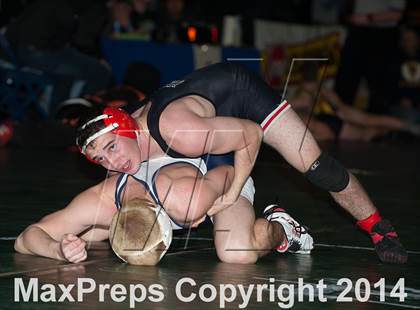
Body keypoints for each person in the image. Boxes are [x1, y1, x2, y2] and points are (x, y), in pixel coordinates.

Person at [76, 62, 408, 264]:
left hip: (243, 97)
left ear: (128, 132)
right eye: (100, 159)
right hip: (204, 121)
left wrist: (232, 191)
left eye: (110, 151)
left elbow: (250, 135)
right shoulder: (121, 140)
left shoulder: (179, 132)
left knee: (317, 166)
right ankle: (278, 227)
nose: (111, 162)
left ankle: (379, 228)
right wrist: (81, 236)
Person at [14, 151, 313, 264]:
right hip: (172, 193)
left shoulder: (182, 193)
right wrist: (57, 251)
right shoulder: (101, 202)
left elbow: (229, 173)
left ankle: (282, 226)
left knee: (236, 253)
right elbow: (27, 237)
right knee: (88, 235)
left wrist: (214, 201)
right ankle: (93, 237)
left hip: (219, 176)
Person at [290, 69, 420, 141]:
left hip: (335, 116)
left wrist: (338, 109)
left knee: (368, 121)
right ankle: (394, 130)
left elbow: (340, 108)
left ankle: (408, 127)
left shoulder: (324, 92)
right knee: (366, 132)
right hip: (328, 120)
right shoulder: (303, 96)